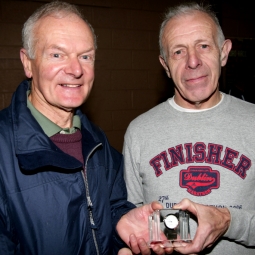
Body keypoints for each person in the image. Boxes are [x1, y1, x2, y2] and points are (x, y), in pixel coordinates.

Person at [0, 1, 173, 254]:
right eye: (57, 54)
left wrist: (123, 225)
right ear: (28, 62)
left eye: (85, 56)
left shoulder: (97, 143)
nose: (76, 69)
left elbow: (105, 213)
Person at [123, 2, 255, 254]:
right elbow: (135, 218)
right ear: (165, 65)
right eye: (178, 52)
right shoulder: (140, 131)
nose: (193, 61)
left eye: (203, 46)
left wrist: (228, 221)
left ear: (224, 52)